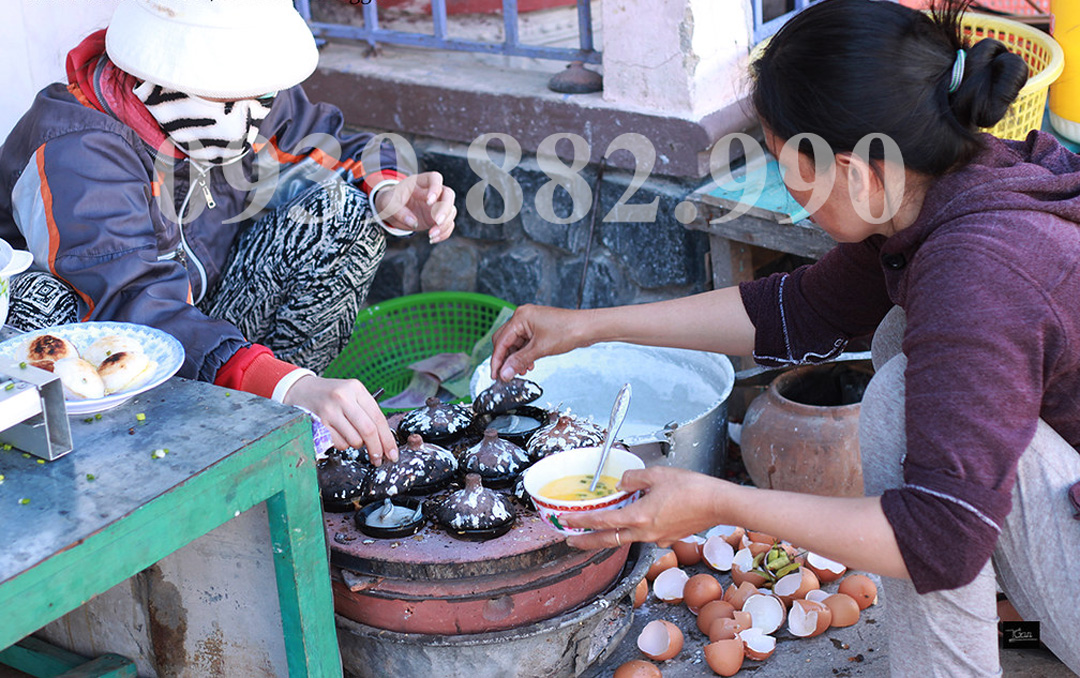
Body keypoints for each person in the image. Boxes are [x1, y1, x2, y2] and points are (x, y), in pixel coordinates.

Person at [490, 0, 1080, 675]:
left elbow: (939, 538)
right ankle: (1023, 635)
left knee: (898, 393)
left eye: (791, 166)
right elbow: (795, 312)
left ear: (858, 171)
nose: (791, 192)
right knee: (900, 345)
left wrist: (716, 500)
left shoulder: (978, 269)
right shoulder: (948, 186)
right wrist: (591, 329)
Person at [0, 0, 458, 466]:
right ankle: (159, 452)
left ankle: (277, 424)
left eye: (257, 98)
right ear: (160, 74)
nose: (249, 117)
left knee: (346, 211)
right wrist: (281, 382)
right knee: (43, 304)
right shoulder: (75, 146)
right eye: (225, 101)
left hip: (203, 320)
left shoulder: (240, 96)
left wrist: (389, 192)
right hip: (109, 358)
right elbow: (127, 305)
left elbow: (327, 143)